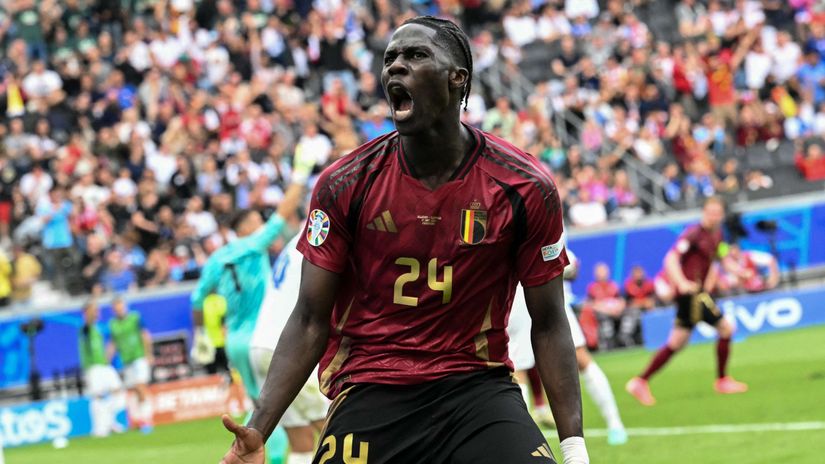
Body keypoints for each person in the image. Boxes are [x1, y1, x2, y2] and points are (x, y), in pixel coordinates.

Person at [221, 16, 587, 464]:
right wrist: (257, 429)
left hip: (477, 391)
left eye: (415, 55)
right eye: (390, 57)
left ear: (458, 79)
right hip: (372, 392)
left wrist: (574, 446)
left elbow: (549, 321)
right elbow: (309, 319)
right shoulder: (345, 183)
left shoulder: (525, 186)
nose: (395, 66)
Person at [193, 180, 306, 464]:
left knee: (260, 402)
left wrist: (201, 335)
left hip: (235, 340)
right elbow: (283, 214)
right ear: (243, 228)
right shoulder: (253, 244)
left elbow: (197, 298)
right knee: (276, 402)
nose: (260, 225)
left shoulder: (217, 258)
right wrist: (301, 176)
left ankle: (256, 452)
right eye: (255, 221)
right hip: (263, 337)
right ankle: (276, 456)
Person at [627, 197, 748, 406]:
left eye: (717, 213)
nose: (713, 217)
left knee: (676, 342)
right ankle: (722, 380)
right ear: (703, 212)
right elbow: (670, 259)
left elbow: (721, 259)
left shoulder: (717, 235)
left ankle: (640, 381)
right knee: (726, 329)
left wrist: (739, 272)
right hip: (691, 294)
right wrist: (681, 282)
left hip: (696, 293)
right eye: (710, 212)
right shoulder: (693, 234)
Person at [509, 247, 628, 446]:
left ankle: (522, 444)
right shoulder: (541, 220)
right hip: (547, 296)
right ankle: (615, 424)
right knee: (581, 359)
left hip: (514, 299)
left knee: (517, 370)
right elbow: (571, 266)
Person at [249, 236, 329, 464]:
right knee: (334, 427)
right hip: (286, 349)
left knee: (301, 440)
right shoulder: (324, 235)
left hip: (261, 345)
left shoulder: (299, 240)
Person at [79, 300, 126, 437]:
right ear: (86, 313)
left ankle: (109, 421)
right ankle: (99, 429)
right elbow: (87, 323)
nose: (97, 313)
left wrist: (108, 355)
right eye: (94, 310)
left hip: (104, 365)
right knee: (98, 396)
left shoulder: (98, 328)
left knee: (119, 392)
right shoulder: (85, 329)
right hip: (93, 367)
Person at [108, 296, 154, 433]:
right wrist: (107, 359)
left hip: (139, 357)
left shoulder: (135, 318)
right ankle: (140, 419)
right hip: (126, 360)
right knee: (134, 389)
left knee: (140, 386)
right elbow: (113, 343)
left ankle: (147, 420)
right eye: (116, 307)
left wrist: (149, 353)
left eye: (120, 306)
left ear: (124, 306)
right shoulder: (113, 324)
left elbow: (145, 335)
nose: (119, 309)